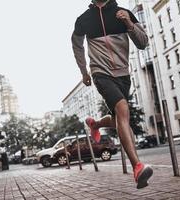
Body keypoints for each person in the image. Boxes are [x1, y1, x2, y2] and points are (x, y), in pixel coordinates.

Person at [71, 0, 153, 189]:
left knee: (120, 118)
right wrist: (84, 71)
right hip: (101, 73)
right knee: (123, 109)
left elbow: (143, 43)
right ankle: (137, 167)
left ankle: (96, 124)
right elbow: (76, 45)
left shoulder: (124, 13)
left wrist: (129, 25)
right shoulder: (83, 19)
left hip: (123, 74)